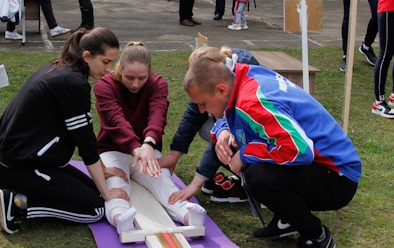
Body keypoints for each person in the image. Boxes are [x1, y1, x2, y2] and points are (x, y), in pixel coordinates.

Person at [184, 52, 361, 247]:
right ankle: (287, 218)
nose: (201, 111)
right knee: (247, 162)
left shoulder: (252, 101)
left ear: (221, 90)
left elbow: (300, 150)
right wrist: (223, 128)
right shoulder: (243, 75)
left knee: (258, 177)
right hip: (325, 167)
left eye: (203, 104)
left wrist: (245, 154)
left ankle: (316, 235)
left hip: (338, 177)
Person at [0, 28, 128, 234]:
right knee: (96, 208)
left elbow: (86, 135)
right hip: (20, 166)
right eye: (106, 62)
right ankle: (18, 204)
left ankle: (16, 187)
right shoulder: (72, 83)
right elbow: (85, 143)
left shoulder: (62, 68)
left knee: (93, 190)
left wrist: (103, 171)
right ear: (87, 56)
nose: (108, 69)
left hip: (16, 158)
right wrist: (108, 194)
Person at [94, 42, 207, 234]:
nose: (136, 84)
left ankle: (187, 214)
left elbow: (158, 115)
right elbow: (115, 121)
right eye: (130, 77)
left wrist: (148, 143)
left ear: (150, 73)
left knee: (162, 181)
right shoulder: (105, 86)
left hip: (146, 149)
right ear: (120, 69)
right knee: (117, 185)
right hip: (113, 150)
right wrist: (136, 147)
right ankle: (120, 218)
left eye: (142, 78)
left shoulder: (158, 84)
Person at [160, 46, 259, 206]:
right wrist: (174, 153)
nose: (201, 109)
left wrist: (196, 182)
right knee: (217, 133)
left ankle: (254, 185)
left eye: (203, 102)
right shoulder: (221, 75)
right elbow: (193, 116)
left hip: (276, 146)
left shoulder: (245, 86)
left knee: (229, 141)